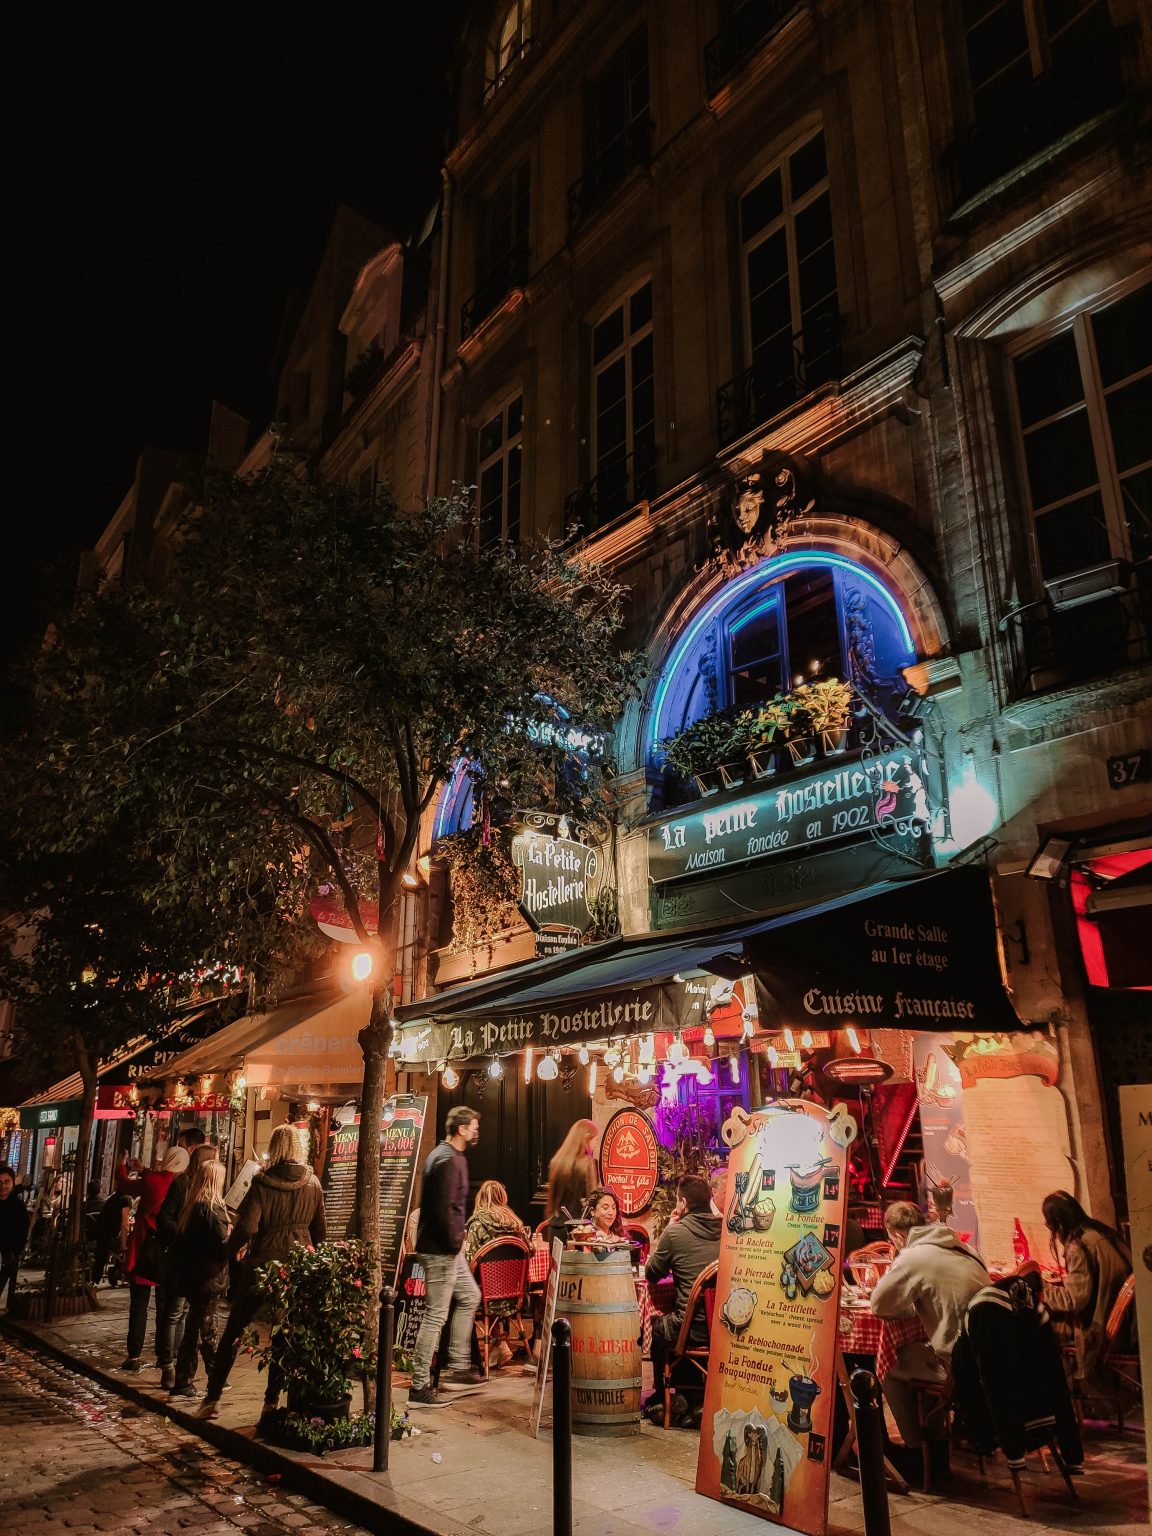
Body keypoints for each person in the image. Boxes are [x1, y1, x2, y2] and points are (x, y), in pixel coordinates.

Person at [198, 1123, 326, 1426]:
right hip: (297, 1266)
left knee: (235, 1330)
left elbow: (248, 1228)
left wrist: (229, 1250)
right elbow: (320, 1232)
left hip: (262, 1264)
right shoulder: (314, 1183)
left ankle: (212, 1398)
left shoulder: (262, 1182)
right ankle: (270, 1403)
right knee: (284, 1334)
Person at [869, 1200, 987, 1481]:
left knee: (889, 1366)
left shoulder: (912, 1258)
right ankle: (937, 1444)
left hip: (956, 1365)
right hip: (986, 1358)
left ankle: (913, 1449)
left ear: (897, 1235)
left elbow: (879, 1305)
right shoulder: (964, 1248)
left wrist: (912, 1305)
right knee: (916, 1351)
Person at [408, 1105, 485, 1407]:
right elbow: (444, 1208)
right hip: (442, 1250)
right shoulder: (449, 1160)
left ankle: (458, 1364)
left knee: (470, 1296)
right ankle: (419, 1385)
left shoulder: (441, 1155)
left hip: (445, 1247)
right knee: (435, 1315)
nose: (476, 1131)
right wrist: (456, 1242)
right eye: (473, 1126)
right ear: (461, 1129)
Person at [1039, 1189, 1135, 1394]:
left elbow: (1075, 1301)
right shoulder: (1102, 1232)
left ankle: (1067, 1396)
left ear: (1059, 1223)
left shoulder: (1078, 1246)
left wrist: (1041, 1287)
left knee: (1041, 1329)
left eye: (1049, 1225)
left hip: (1103, 1328)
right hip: (1129, 1323)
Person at [644, 1174, 722, 1423]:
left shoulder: (676, 1233)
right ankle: (693, 1400)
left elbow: (652, 1274)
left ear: (684, 1204)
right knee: (682, 1320)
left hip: (691, 1329)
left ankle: (661, 1397)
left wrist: (669, 1227)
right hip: (724, 1327)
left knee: (660, 1329)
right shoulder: (728, 1232)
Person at [117, 1145, 190, 1373]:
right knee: (164, 1308)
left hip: (144, 1252)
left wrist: (123, 1164)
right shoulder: (183, 1186)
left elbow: (124, 1185)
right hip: (168, 1254)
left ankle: (134, 1356)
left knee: (139, 1305)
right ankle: (163, 1356)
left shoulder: (152, 1181)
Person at [155, 1142, 218, 1386]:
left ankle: (183, 1368)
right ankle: (168, 1366)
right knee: (174, 1313)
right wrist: (184, 1231)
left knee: (192, 1318)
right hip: (182, 1259)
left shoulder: (210, 1188)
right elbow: (164, 1219)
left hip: (201, 1264)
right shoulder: (182, 1184)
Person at [169, 1158, 230, 1399]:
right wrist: (231, 1236)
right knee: (207, 1330)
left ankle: (185, 1380)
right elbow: (220, 1246)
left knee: (195, 1327)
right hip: (208, 1277)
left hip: (195, 1276)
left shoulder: (193, 1206)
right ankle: (214, 1378)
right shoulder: (210, 1209)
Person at [464, 1179, 530, 1370]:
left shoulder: (477, 1225)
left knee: (467, 1287)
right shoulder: (516, 1223)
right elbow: (530, 1250)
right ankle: (499, 1341)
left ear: (480, 1198)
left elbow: (469, 1259)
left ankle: (469, 1351)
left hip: (486, 1295)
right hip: (513, 1293)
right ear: (503, 1197)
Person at [543, 1119, 599, 1246]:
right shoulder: (588, 1164)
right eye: (595, 1139)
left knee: (556, 1266)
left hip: (555, 1228)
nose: (596, 1144)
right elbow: (591, 1201)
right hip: (579, 1232)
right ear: (586, 1138)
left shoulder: (556, 1162)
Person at [0, 1165, 30, 1310]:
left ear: (12, 1183)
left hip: (8, 1255)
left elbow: (23, 1229)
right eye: (0, 1182)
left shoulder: (17, 1205)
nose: (3, 1186)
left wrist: (16, 1251)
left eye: (7, 1182)